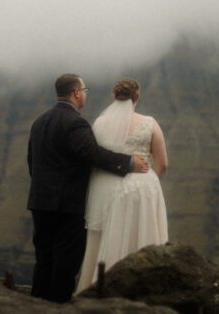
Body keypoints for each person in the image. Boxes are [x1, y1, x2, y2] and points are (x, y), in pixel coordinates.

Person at [27, 73, 150, 303]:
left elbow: (31, 160)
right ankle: (57, 306)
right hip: (67, 205)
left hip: (40, 202)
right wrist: (130, 163)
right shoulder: (75, 123)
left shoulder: (39, 122)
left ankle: (36, 304)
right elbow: (92, 154)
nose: (85, 94)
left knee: (43, 259)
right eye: (84, 90)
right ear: (76, 93)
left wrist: (43, 190)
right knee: (66, 261)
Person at [76, 77, 168, 292]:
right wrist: (148, 184)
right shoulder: (149, 123)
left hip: (109, 190)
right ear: (137, 97)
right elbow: (162, 163)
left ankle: (101, 289)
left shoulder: (99, 123)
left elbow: (97, 158)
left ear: (115, 96)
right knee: (144, 239)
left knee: (112, 237)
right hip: (144, 189)